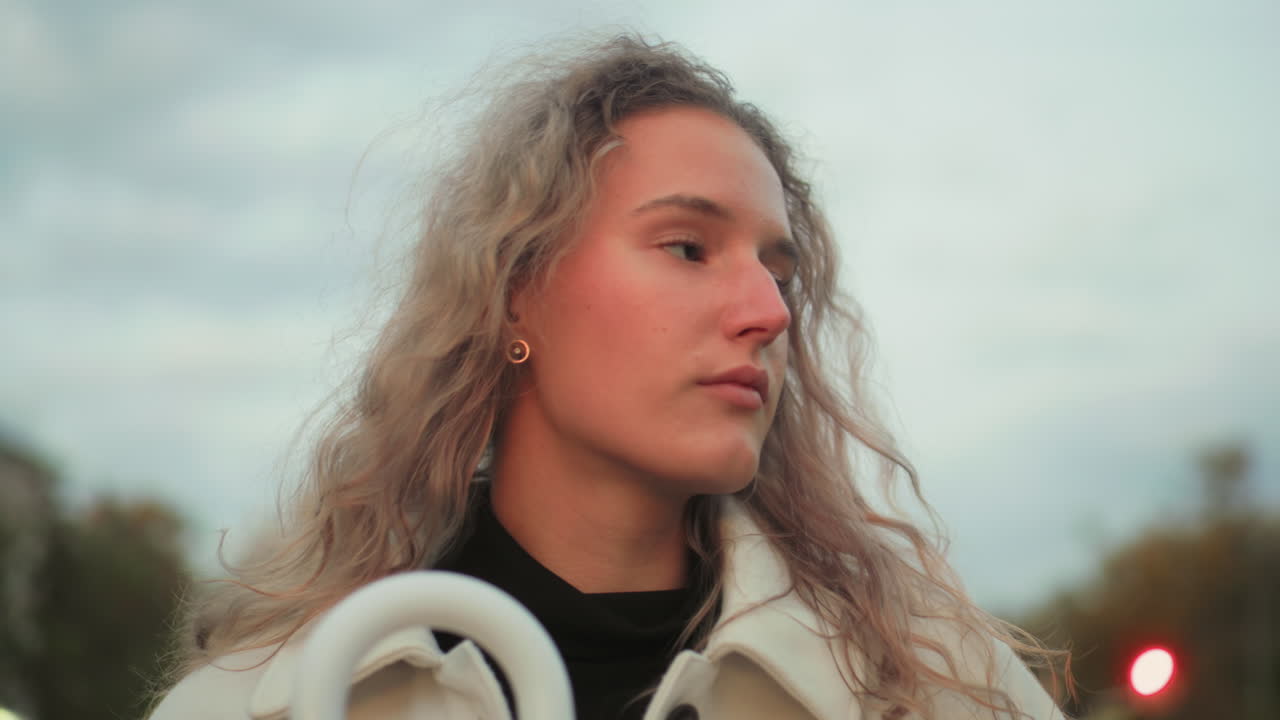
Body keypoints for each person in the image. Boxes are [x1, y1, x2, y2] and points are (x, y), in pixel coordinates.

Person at [147, 34, 1070, 720]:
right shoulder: (269, 700)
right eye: (688, 247)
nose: (770, 311)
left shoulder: (937, 686)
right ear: (516, 294)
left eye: (780, 273)